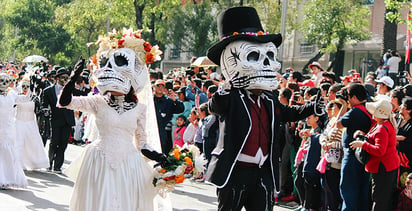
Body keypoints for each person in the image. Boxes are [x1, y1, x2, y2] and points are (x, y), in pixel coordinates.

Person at [204, 7, 325, 211]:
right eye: (253, 57)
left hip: (262, 172)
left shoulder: (270, 98)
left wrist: (313, 106)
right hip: (236, 170)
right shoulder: (230, 96)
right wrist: (229, 83)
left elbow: (288, 113)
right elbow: (214, 105)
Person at [60, 29, 168, 211]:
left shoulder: (139, 109)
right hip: (98, 162)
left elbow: (142, 144)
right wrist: (72, 79)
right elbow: (65, 102)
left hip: (128, 165)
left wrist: (160, 157)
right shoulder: (97, 102)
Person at [350, 99, 400, 211]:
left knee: (380, 200)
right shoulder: (383, 124)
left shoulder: (382, 128)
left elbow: (379, 151)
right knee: (382, 198)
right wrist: (362, 136)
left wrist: (362, 144)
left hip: (383, 169)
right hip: (387, 167)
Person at [336, 83, 373, 211]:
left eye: (349, 97)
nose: (349, 100)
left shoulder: (355, 111)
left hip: (352, 156)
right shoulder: (371, 108)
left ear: (354, 97)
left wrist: (344, 106)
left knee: (348, 190)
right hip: (366, 156)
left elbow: (338, 124)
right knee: (362, 191)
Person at [41, 67, 85, 173]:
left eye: (67, 78)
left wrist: (82, 83)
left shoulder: (70, 89)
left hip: (68, 120)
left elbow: (81, 94)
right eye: (63, 78)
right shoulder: (48, 91)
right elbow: (44, 104)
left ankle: (58, 166)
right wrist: (45, 110)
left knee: (63, 143)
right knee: (54, 142)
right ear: (57, 78)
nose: (65, 80)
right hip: (55, 120)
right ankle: (50, 162)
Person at [0, 72, 28, 189]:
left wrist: (30, 87)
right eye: (2, 81)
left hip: (8, 128)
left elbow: (25, 98)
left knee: (7, 151)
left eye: (7, 81)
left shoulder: (12, 95)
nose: (4, 84)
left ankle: (7, 177)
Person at [15, 76, 49, 170]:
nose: (25, 89)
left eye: (27, 86)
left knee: (32, 144)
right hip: (18, 122)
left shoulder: (34, 98)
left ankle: (32, 162)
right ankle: (17, 163)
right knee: (18, 143)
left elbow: (38, 111)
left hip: (30, 123)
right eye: (23, 86)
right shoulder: (16, 97)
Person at [153, 79, 184, 154]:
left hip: (165, 132)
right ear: (154, 87)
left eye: (162, 86)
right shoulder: (150, 100)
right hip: (152, 129)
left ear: (164, 88)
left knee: (163, 152)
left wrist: (175, 100)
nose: (160, 88)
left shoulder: (168, 101)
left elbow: (180, 109)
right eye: (158, 85)